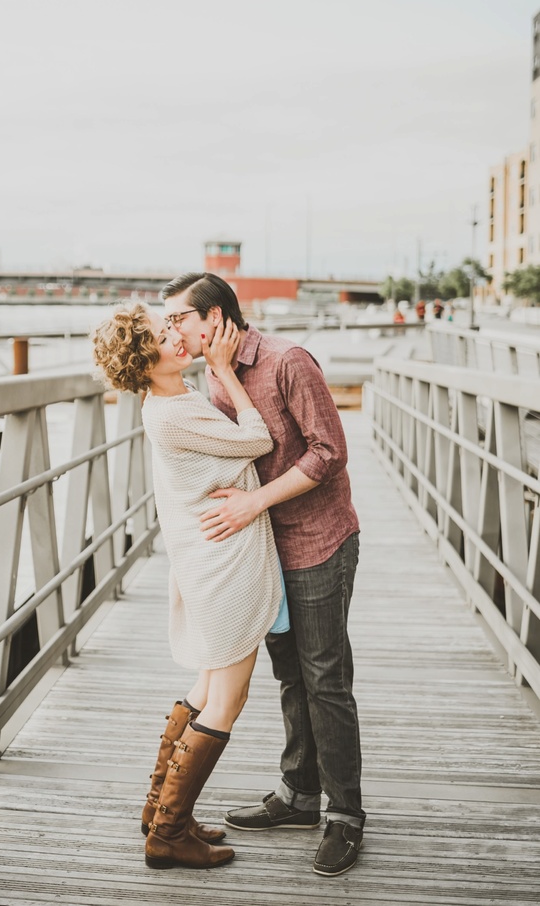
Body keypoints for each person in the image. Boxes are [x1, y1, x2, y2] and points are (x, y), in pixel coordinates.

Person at [164, 271, 364, 877]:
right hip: (262, 552)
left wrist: (253, 503)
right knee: (287, 676)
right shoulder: (210, 375)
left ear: (215, 317)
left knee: (324, 677)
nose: (172, 329)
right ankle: (299, 796)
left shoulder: (287, 361)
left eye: (179, 318)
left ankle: (345, 815)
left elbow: (329, 452)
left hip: (318, 541)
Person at [93, 306, 282, 870]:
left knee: (204, 686)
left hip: (210, 562)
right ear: (144, 361)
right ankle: (169, 834)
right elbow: (259, 439)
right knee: (229, 697)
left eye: (171, 327)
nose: (176, 335)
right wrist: (225, 370)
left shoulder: (169, 402)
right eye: (160, 335)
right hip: (224, 565)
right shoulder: (172, 411)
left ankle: (159, 810)